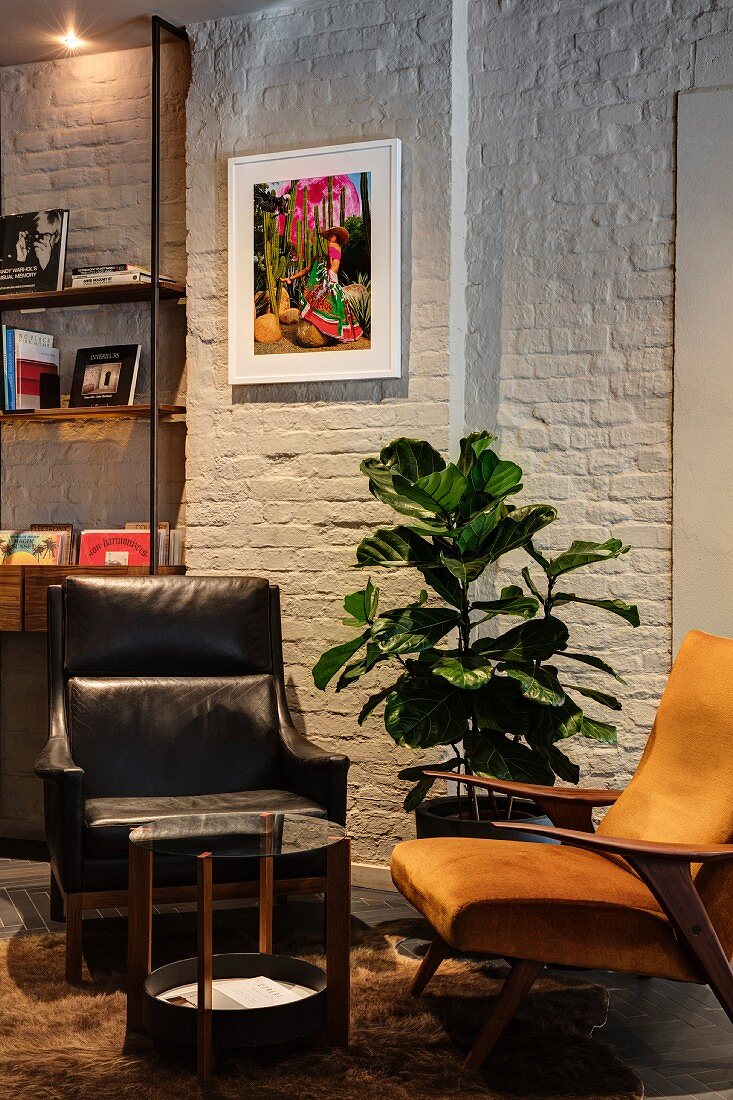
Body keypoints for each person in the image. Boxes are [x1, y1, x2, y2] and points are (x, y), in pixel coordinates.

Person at [283, 225, 362, 343]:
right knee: (337, 301)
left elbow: (331, 263)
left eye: (333, 234)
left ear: (338, 237)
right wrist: (291, 278)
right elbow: (308, 269)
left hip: (330, 276)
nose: (330, 237)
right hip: (332, 277)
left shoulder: (332, 247)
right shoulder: (330, 252)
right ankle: (341, 331)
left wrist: (327, 263)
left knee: (328, 299)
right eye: (329, 235)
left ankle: (330, 328)